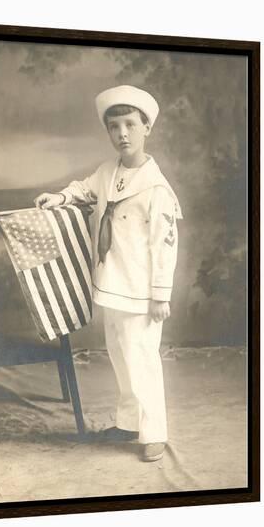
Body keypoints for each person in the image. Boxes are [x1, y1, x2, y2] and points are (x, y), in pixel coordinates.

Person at [34, 85, 183, 462]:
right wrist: (61, 197)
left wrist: (161, 294)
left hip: (140, 291)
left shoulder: (156, 188)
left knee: (143, 359)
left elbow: (164, 245)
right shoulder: (107, 172)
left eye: (131, 125)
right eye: (114, 127)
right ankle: (129, 421)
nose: (123, 134)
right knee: (119, 356)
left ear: (146, 127)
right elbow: (85, 190)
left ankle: (154, 432)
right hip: (110, 285)